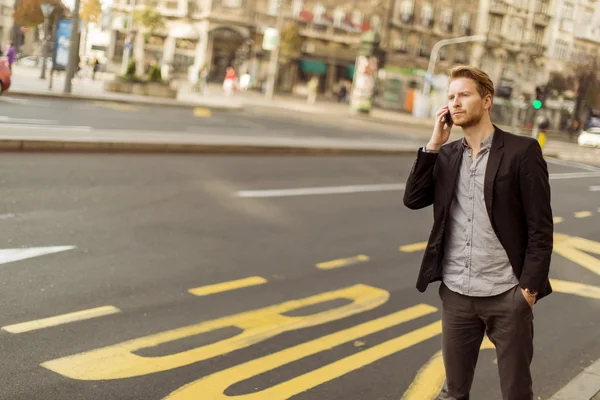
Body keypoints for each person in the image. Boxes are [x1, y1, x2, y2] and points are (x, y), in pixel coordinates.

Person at [403, 66, 553, 400]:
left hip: (506, 294)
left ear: (486, 100)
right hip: (457, 294)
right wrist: (433, 144)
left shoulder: (521, 151)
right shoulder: (447, 155)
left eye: (464, 95)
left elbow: (540, 228)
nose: (455, 102)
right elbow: (413, 199)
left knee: (515, 392)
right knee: (453, 392)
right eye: (451, 96)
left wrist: (527, 292)